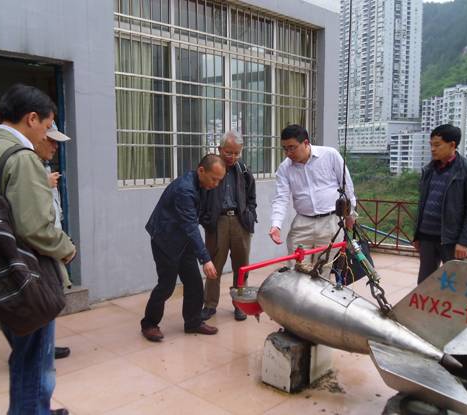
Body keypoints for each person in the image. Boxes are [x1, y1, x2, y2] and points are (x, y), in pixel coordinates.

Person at [0, 84, 75, 414]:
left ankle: (38, 409)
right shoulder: (21, 158)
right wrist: (67, 249)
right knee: (35, 363)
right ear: (32, 118)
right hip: (25, 278)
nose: (47, 135)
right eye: (47, 126)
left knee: (25, 354)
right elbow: (36, 228)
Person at [140, 154, 226, 342]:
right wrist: (206, 259)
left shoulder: (203, 185)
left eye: (219, 180)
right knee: (166, 286)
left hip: (183, 239)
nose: (216, 184)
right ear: (201, 170)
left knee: (194, 283)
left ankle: (193, 322)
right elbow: (190, 225)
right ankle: (149, 324)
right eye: (214, 179)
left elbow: (199, 217)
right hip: (165, 240)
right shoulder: (184, 190)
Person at [269, 124, 357, 258]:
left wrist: (350, 214)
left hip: (330, 221)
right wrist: (276, 225)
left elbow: (347, 186)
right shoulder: (284, 168)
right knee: (297, 265)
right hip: (302, 223)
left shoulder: (330, 155)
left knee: (324, 266)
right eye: (285, 149)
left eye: (292, 148)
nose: (288, 153)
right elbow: (281, 198)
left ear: (305, 143)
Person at [413, 124, 467, 284]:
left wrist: (464, 242)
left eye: (437, 145)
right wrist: (417, 235)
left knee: (453, 284)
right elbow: (422, 204)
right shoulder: (429, 169)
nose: (433, 149)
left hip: (451, 239)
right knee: (424, 284)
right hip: (426, 237)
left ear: (452, 145)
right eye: (431, 145)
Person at [199, 131, 257, 322]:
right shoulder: (212, 168)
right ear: (220, 149)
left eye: (236, 153)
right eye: (228, 152)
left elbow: (251, 197)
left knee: (241, 266)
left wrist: (250, 214)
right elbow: (202, 195)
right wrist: (206, 218)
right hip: (218, 222)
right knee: (214, 265)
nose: (232, 157)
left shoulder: (244, 170)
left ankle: (239, 304)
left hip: (240, 222)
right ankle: (210, 304)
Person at [34, 121, 73, 360]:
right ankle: (33, 350)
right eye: (51, 141)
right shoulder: (26, 166)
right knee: (44, 298)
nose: (55, 147)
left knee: (51, 296)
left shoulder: (43, 165)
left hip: (52, 241)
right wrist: (43, 183)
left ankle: (44, 345)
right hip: (41, 247)